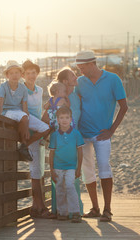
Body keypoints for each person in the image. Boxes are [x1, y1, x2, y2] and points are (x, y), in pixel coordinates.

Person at [75, 50, 128, 222]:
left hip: (102, 135)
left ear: (92, 64)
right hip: (83, 134)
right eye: (79, 68)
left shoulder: (113, 79)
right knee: (87, 171)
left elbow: (124, 106)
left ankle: (107, 210)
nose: (80, 71)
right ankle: (95, 208)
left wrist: (111, 130)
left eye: (82, 67)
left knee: (104, 168)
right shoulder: (79, 82)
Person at [0, 60, 50, 161]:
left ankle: (24, 146)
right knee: (23, 117)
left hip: (20, 113)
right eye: (11, 73)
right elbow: (0, 104)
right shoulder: (3, 86)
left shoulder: (22, 88)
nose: (14, 75)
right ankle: (24, 144)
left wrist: (27, 122)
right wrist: (0, 118)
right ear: (7, 75)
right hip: (7, 112)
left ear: (20, 74)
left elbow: (25, 108)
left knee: (45, 128)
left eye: (17, 73)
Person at [21, 59, 55, 219]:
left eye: (33, 73)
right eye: (28, 73)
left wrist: (48, 107)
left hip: (39, 130)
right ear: (23, 75)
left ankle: (36, 207)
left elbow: (39, 109)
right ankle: (40, 208)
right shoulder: (21, 89)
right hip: (29, 130)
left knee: (40, 169)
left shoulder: (40, 90)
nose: (31, 75)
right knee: (36, 171)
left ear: (37, 73)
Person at [51, 67, 84, 217]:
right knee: (59, 184)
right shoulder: (58, 98)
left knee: (72, 182)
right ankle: (59, 211)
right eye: (72, 75)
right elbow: (48, 114)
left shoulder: (77, 96)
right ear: (65, 81)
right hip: (59, 138)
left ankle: (76, 211)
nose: (76, 76)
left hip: (73, 137)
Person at [49, 106, 84, 223]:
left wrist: (79, 168)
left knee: (69, 186)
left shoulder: (76, 134)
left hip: (71, 167)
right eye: (61, 118)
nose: (64, 120)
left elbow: (80, 151)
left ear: (71, 119)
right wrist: (51, 170)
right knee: (59, 189)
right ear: (57, 120)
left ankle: (75, 212)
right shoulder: (54, 135)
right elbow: (51, 153)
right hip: (57, 167)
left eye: (67, 117)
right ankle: (62, 212)